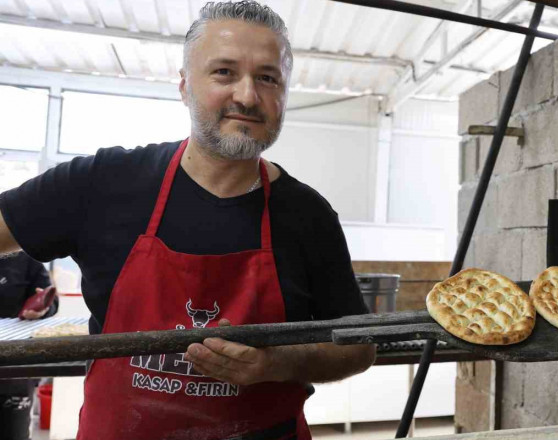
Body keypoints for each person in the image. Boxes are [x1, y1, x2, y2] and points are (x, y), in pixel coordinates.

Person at [0, 2, 376, 439]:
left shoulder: (309, 215)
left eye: (268, 78)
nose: (248, 96)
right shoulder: (103, 183)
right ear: (184, 86)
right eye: (224, 72)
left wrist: (279, 362)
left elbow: (357, 346)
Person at [0, 253, 56, 440]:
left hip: (14, 370)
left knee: (13, 433)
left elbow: (51, 299)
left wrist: (42, 309)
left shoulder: (24, 257)